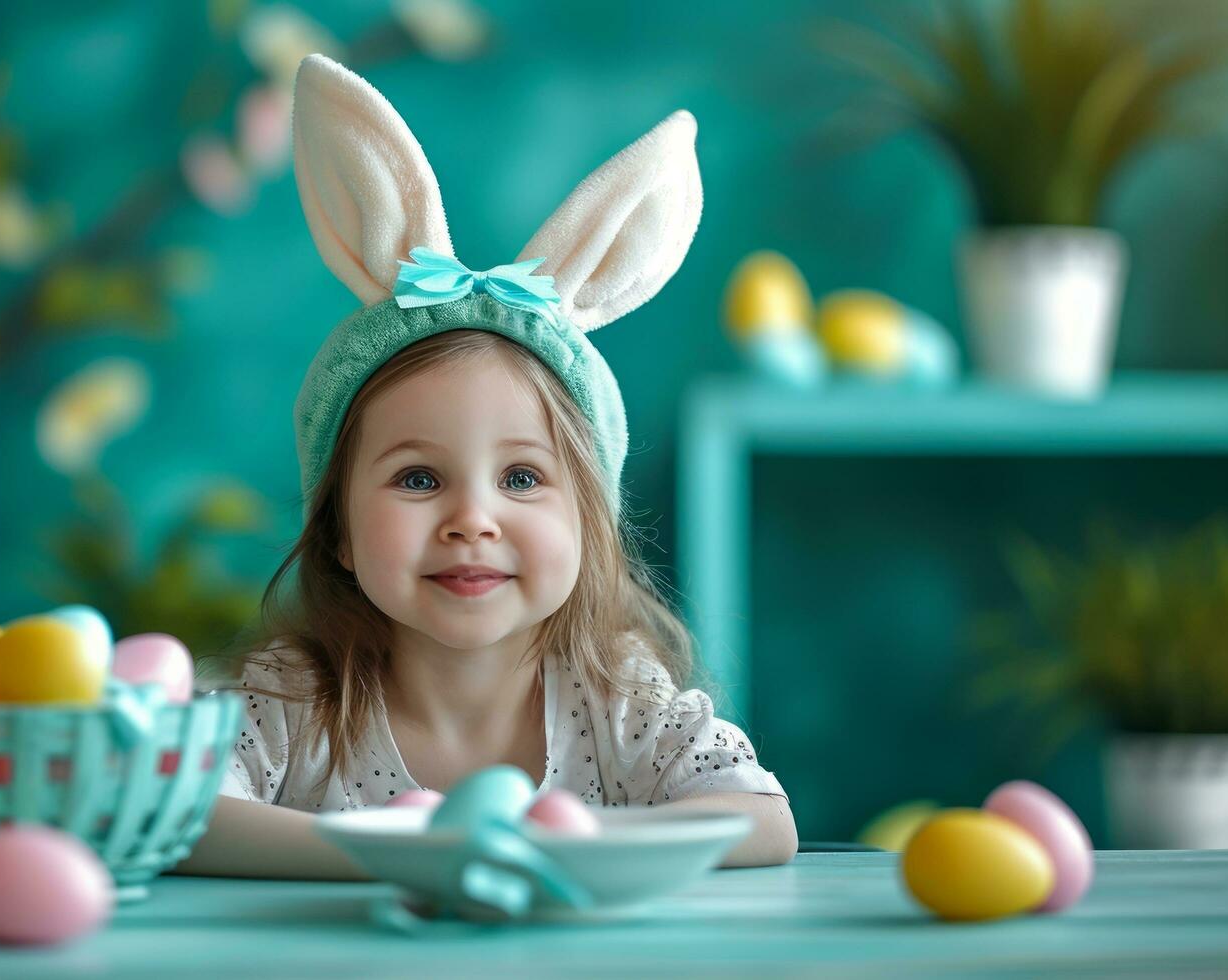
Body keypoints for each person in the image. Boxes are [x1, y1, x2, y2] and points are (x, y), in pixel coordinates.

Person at [179, 54, 795, 880]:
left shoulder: (619, 703)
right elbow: (184, 815)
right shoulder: (293, 705)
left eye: (521, 479)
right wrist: (412, 858)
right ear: (339, 533)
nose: (473, 519)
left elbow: (763, 824)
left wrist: (543, 844)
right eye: (418, 480)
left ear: (588, 520)